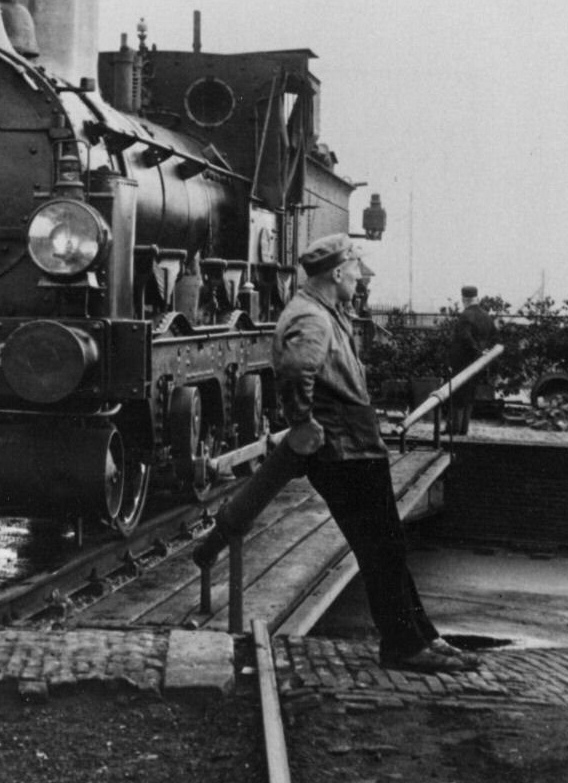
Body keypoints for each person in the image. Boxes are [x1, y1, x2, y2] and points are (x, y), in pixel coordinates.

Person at [192, 233, 478, 675]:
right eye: (356, 272)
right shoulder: (311, 316)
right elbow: (294, 371)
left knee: (388, 545)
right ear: (337, 273)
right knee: (379, 547)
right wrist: (304, 423)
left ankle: (422, 635)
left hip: (356, 444)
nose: (360, 279)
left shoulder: (326, 312)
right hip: (343, 450)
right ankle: (404, 644)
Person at [445, 285, 497, 437]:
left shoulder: (465, 316)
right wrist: (484, 351)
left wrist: (477, 350)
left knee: (458, 395)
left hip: (462, 362)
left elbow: (465, 337)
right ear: (477, 298)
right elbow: (495, 336)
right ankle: (463, 429)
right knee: (470, 396)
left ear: (464, 299)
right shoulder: (486, 316)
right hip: (477, 363)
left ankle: (455, 430)